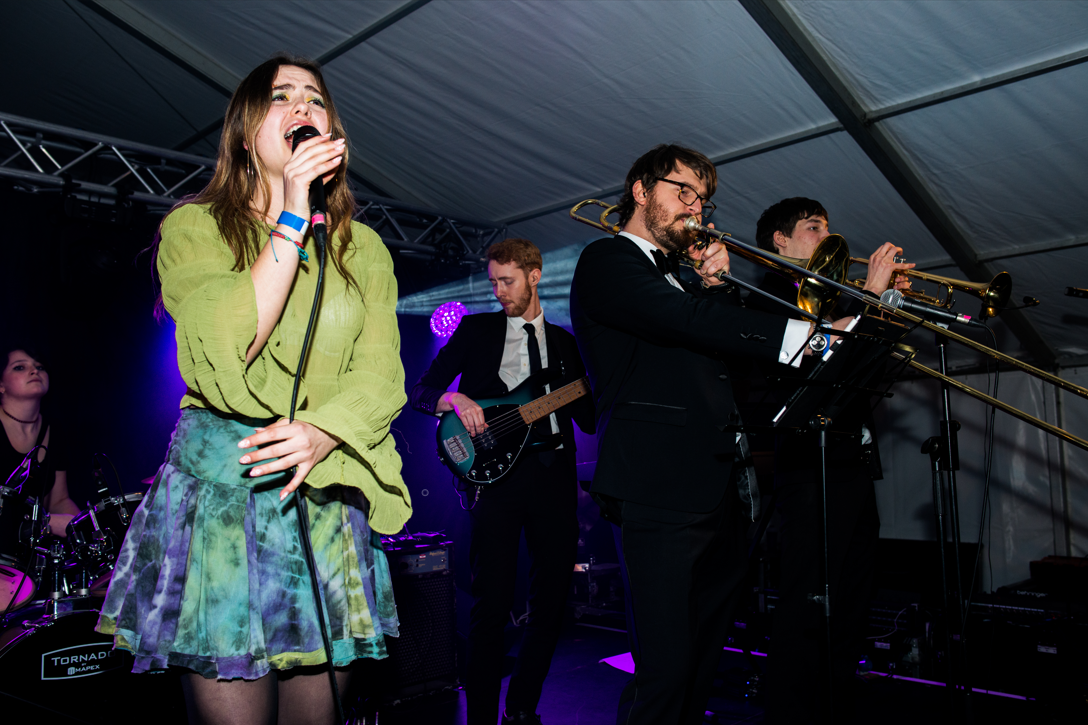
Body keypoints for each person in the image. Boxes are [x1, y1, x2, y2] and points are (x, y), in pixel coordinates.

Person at [95, 55, 411, 725]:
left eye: (314, 98)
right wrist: (291, 217)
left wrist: (324, 431)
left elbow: (382, 376)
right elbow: (224, 349)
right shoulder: (195, 228)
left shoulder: (367, 252)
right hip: (223, 505)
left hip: (325, 499)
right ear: (243, 133)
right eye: (279, 96)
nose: (301, 105)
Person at [569, 144, 832, 725]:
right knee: (664, 671)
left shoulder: (686, 281)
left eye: (703, 199)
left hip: (718, 490)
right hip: (656, 489)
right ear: (641, 190)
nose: (696, 207)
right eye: (682, 191)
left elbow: (728, 356)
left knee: (699, 666)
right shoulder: (606, 260)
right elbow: (682, 322)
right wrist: (801, 334)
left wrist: (717, 288)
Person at [410, 238, 595, 725]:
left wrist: (600, 387)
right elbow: (422, 390)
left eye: (506, 280)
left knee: (552, 601)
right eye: (493, 281)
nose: (498, 291)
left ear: (534, 277)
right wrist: (456, 401)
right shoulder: (476, 330)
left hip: (554, 478)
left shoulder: (567, 345)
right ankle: (482, 718)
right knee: (491, 602)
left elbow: (591, 421)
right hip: (495, 480)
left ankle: (522, 709)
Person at [749, 198, 909, 723]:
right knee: (807, 595)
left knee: (854, 592)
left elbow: (860, 363)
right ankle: (790, 711)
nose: (826, 236)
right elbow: (805, 355)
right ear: (779, 239)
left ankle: (835, 700)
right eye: (813, 227)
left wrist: (884, 310)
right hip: (806, 463)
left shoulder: (832, 293)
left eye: (826, 225)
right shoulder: (767, 293)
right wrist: (868, 298)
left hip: (852, 459)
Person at [0, 343, 80, 547]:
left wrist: (85, 527)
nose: (35, 370)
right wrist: (47, 522)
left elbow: (59, 501)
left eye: (40, 366)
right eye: (20, 367)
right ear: (1, 385)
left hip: (26, 556)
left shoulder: (53, 429)